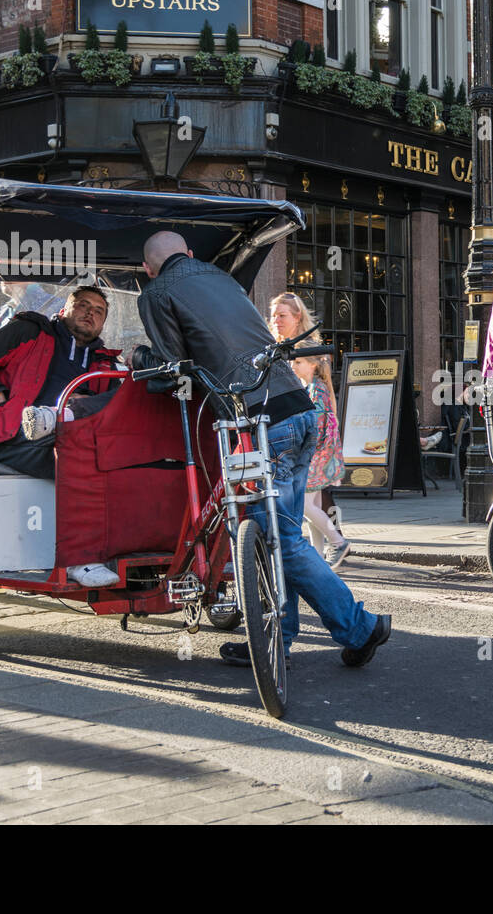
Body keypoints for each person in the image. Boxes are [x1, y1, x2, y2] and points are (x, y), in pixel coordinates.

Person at [130, 231, 390, 670]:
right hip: (298, 412)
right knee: (274, 536)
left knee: (279, 540)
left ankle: (361, 626)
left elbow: (172, 368)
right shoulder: (222, 279)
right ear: (190, 254)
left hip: (261, 421)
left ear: (147, 269)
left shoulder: (156, 293)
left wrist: (140, 360)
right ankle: (276, 640)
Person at [0, 285, 123, 586]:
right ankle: (79, 557)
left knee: (128, 397)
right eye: (82, 304)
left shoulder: (105, 362)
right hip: (15, 437)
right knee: (79, 440)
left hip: (69, 439)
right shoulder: (30, 331)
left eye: (98, 311)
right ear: (64, 309)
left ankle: (64, 416)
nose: (90, 313)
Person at [268, 291, 349, 567]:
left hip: (310, 444)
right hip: (303, 441)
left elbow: (322, 412)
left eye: (282, 315)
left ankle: (337, 542)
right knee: (311, 504)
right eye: (273, 315)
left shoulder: (308, 348)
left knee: (305, 503)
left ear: (297, 316)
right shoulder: (277, 347)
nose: (276, 320)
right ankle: (318, 557)